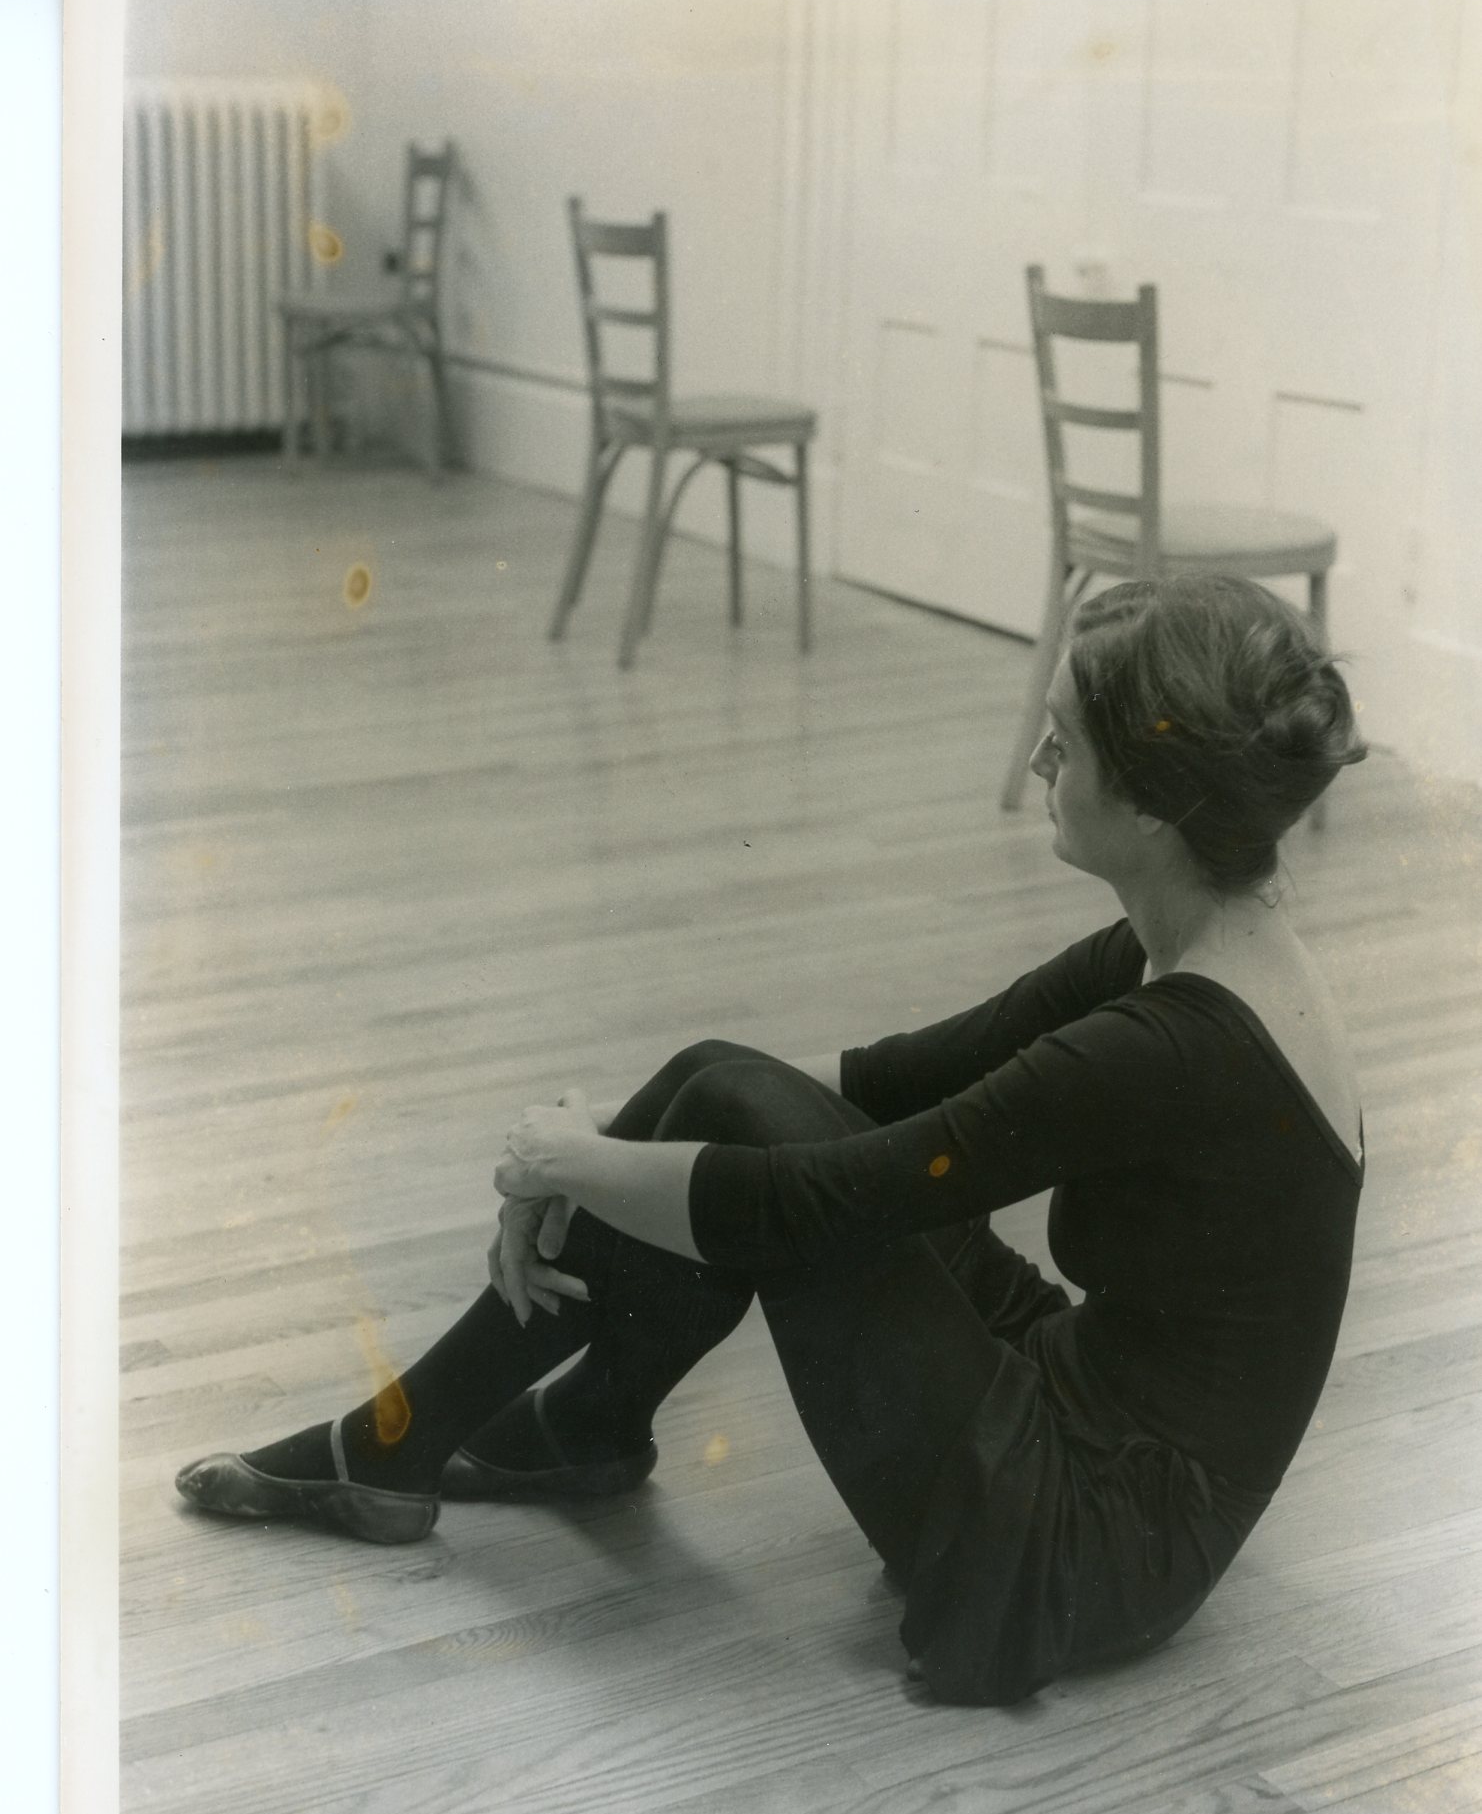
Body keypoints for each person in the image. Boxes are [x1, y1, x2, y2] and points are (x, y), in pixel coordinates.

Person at [176, 572, 1366, 1707]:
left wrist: (567, 1165)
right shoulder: (1191, 941)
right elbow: (905, 1077)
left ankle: (423, 1439)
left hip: (1087, 1537)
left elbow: (831, 1199)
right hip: (1080, 1399)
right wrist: (601, 1136)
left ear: (1154, 802)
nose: (1040, 764)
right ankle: (554, 1431)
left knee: (757, 1141)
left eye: (1063, 743)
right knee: (722, 1082)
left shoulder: (1179, 1044)